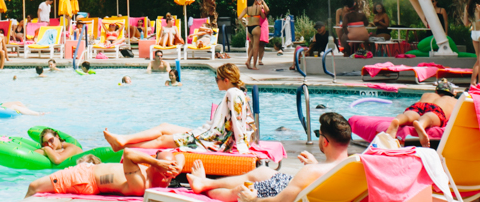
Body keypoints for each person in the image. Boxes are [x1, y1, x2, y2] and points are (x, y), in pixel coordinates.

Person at [184, 112, 353, 202]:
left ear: (325, 142)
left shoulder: (311, 172)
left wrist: (254, 200)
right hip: (308, 187)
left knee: (242, 190)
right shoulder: (353, 165)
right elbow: (330, 180)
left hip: (287, 196)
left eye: (319, 134)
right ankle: (206, 182)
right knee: (262, 172)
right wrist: (316, 165)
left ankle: (205, 190)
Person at [104, 64, 253, 152]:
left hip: (213, 141)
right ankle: (123, 140)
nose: (216, 82)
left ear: (226, 80)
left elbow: (239, 121)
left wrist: (242, 146)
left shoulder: (233, 93)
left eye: (217, 79)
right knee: (164, 126)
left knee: (162, 139)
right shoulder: (236, 93)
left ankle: (124, 146)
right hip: (209, 133)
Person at [25, 148, 185, 197]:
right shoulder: (163, 176)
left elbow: (128, 154)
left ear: (162, 169)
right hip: (87, 171)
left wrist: (157, 162)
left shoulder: (142, 183)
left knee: (33, 186)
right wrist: (177, 166)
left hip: (83, 179)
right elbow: (182, 155)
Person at [384, 87, 459, 147]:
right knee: (430, 117)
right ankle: (421, 124)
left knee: (409, 115)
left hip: (420, 105)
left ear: (436, 91)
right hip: (437, 108)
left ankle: (398, 120)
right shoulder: (453, 100)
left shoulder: (427, 94)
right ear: (453, 94)